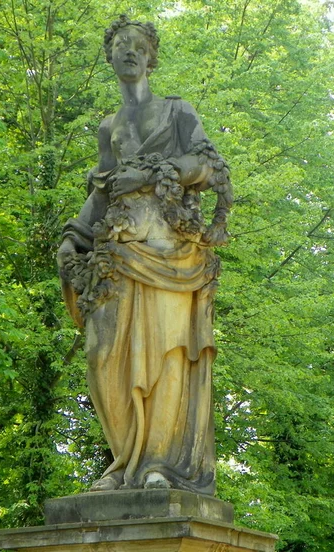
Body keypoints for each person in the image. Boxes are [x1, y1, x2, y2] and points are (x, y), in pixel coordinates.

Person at [57, 15, 232, 495]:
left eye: (138, 46)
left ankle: (158, 463)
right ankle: (124, 461)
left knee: (168, 353)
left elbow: (207, 167)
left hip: (171, 251)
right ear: (110, 57)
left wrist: (152, 176)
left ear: (151, 57)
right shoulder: (109, 126)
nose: (129, 52)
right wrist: (73, 236)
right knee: (101, 352)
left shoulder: (177, 112)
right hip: (118, 248)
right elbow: (100, 191)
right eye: (120, 46)